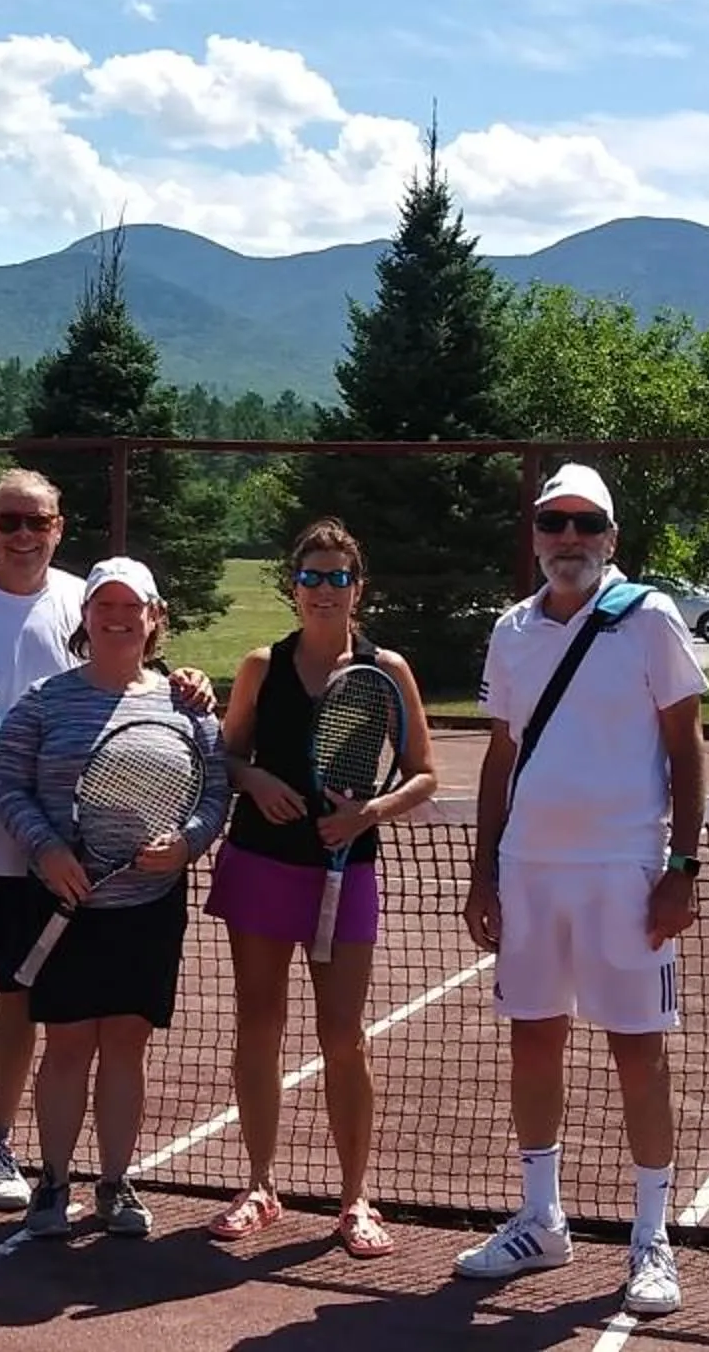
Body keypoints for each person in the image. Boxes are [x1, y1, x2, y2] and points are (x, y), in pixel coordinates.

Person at [0, 468, 213, 1223]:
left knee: (20, 1007)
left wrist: (187, 682)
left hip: (49, 871)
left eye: (38, 522)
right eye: (8, 521)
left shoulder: (82, 601)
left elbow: (125, 686)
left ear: (60, 527)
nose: (22, 535)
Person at [454, 463, 707, 1317]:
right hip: (530, 873)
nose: (568, 539)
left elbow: (686, 748)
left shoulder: (650, 619)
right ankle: (541, 1220)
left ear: (611, 538)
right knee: (534, 1040)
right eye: (553, 523)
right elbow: (501, 756)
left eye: (584, 524)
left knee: (638, 1052)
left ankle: (650, 1238)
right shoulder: (513, 630)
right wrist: (485, 870)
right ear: (535, 536)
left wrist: (682, 868)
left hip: (626, 874)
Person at [202, 517, 438, 1257]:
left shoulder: (387, 669)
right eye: (312, 577)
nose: (325, 589)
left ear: (358, 588)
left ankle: (355, 1199)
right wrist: (256, 779)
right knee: (259, 1022)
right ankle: (261, 1184)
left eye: (339, 577)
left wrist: (369, 811)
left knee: (342, 1034)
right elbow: (226, 757)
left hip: (348, 871)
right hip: (261, 865)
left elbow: (424, 773)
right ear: (293, 587)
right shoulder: (258, 667)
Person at [0, 556, 232, 1239]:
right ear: (87, 617)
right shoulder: (45, 700)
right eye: (106, 607)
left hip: (148, 908)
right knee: (66, 1048)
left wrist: (188, 844)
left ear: (155, 619)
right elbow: (9, 785)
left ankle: (115, 1183)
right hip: (64, 904)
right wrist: (48, 849)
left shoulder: (187, 706)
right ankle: (55, 1182)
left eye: (133, 608)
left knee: (126, 1048)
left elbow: (215, 791)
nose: (119, 619)